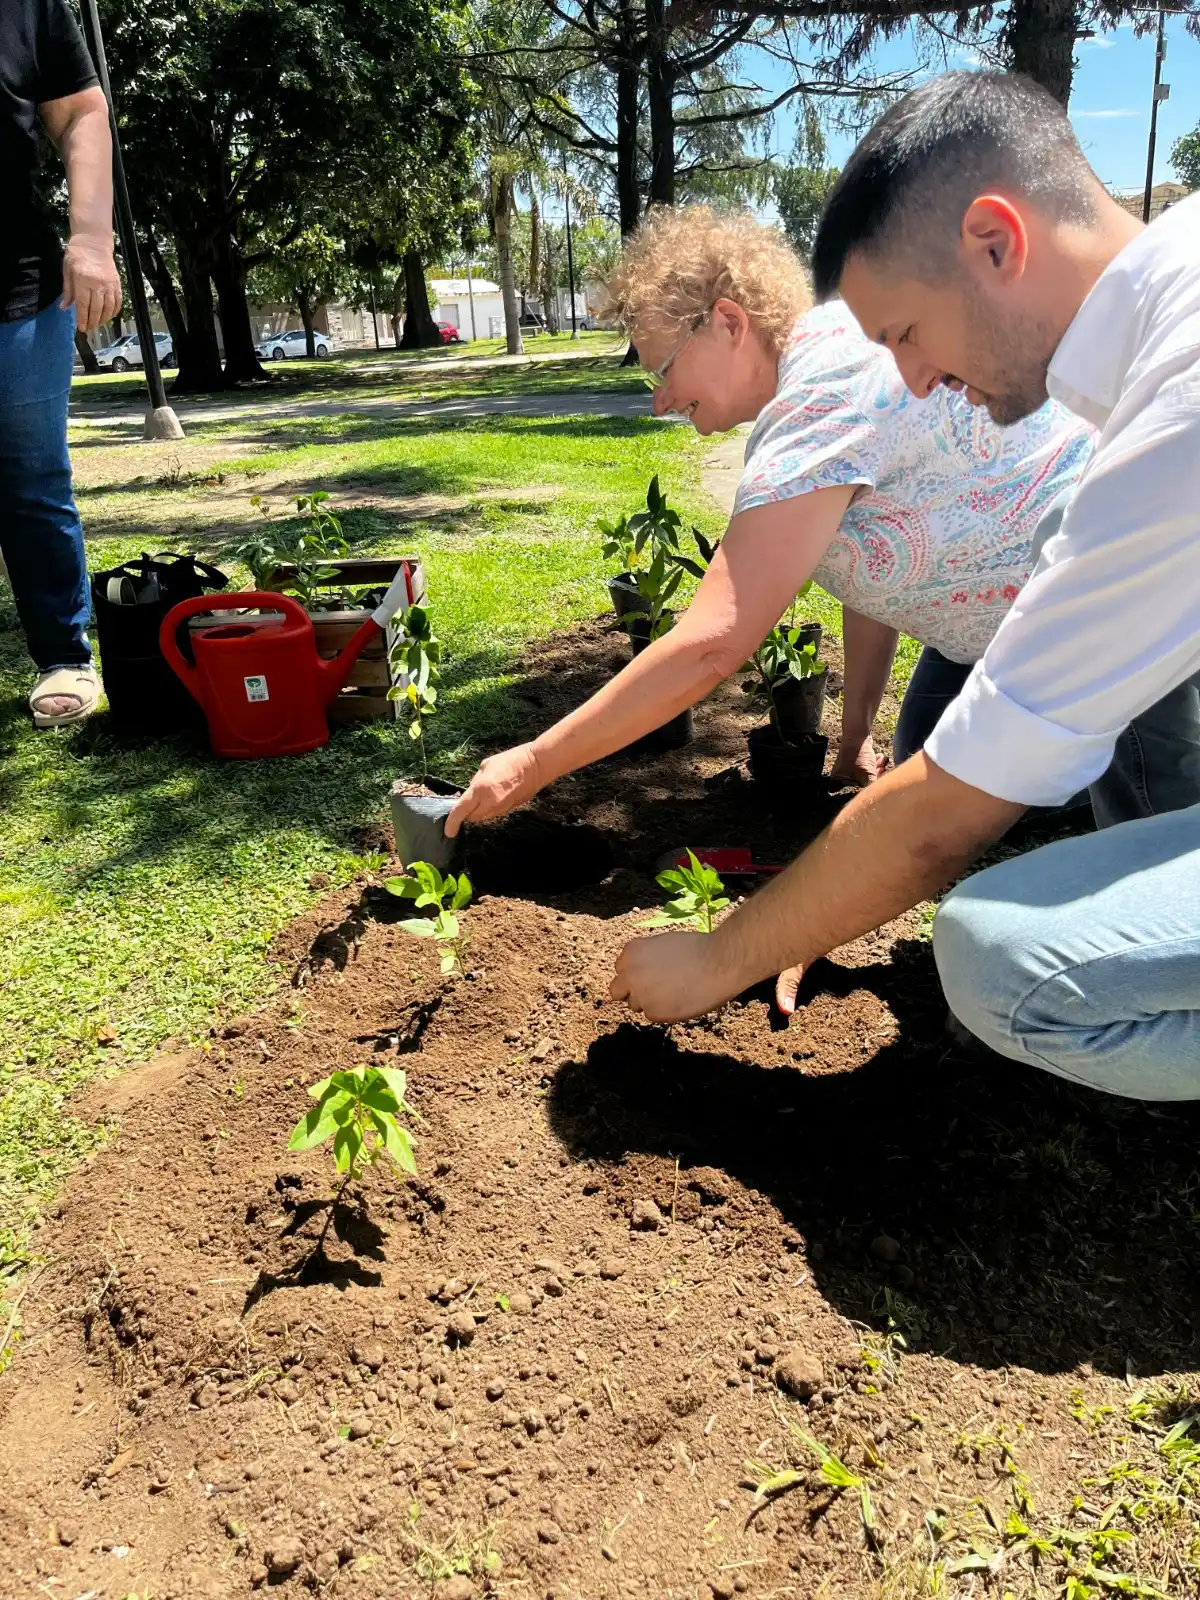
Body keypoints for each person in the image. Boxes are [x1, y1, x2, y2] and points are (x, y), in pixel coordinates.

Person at [611, 72, 1200, 1101]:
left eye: (908, 336)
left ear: (994, 242)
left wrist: (722, 955)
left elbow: (936, 819)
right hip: (1039, 632)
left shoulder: (1177, 412)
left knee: (1000, 960)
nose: (917, 382)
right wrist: (830, 883)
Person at [446, 204, 1094, 838]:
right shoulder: (828, 344)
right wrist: (854, 739)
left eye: (663, 370)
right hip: (1009, 627)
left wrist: (533, 764)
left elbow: (712, 644)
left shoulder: (817, 406)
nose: (660, 401)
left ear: (729, 322)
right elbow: (878, 561)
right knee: (931, 761)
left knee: (1012, 804)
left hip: (1098, 611)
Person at [2, 0, 121, 726]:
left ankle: (63, 655)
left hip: (15, 292)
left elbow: (80, 111)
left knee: (30, 481)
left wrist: (92, 240)